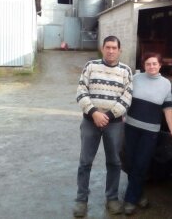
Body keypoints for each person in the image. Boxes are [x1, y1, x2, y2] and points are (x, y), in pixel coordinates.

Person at [73, 35, 133, 217]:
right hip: (90, 122)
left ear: (119, 50)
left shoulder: (125, 71)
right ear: (103, 48)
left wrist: (106, 116)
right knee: (85, 162)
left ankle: (112, 199)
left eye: (114, 47)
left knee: (114, 162)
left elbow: (127, 97)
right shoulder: (91, 66)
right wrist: (94, 113)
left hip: (113, 124)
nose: (111, 51)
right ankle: (81, 200)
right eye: (108, 47)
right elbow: (81, 91)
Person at [123, 52, 172, 215]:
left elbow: (167, 108)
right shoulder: (135, 78)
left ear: (160, 65)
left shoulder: (166, 84)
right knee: (131, 162)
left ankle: (130, 200)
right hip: (131, 127)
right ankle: (138, 194)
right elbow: (125, 98)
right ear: (143, 65)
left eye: (154, 63)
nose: (151, 66)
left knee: (141, 163)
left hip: (150, 131)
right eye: (148, 63)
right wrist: (120, 115)